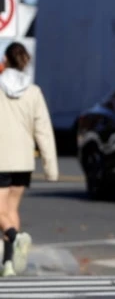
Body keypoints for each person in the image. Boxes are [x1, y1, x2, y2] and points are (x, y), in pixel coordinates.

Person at [0, 42, 59, 277]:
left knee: (1, 211)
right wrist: (50, 167)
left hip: (1, 158)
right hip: (23, 161)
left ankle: (14, 238)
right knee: (11, 210)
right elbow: (43, 129)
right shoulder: (34, 91)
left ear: (5, 60)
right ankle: (9, 263)